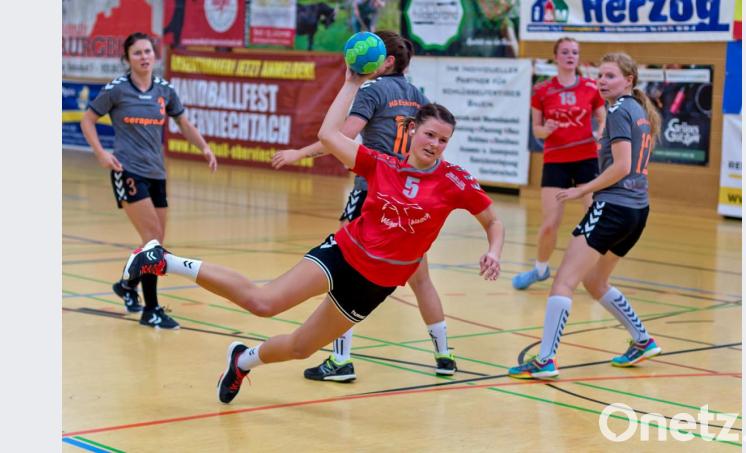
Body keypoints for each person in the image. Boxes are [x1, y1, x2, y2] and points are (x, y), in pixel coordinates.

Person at [119, 69, 505, 405]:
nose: (435, 145)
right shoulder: (379, 163)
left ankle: (242, 361)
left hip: (375, 285)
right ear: (413, 131)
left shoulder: (455, 181)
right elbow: (328, 134)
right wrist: (352, 82)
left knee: (302, 347)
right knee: (263, 302)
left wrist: (494, 251)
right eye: (430, 134)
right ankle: (162, 260)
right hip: (343, 255)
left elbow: (493, 221)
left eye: (443, 140)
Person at [272, 31, 459, 381]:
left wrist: (300, 152)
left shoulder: (372, 90)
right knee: (422, 280)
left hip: (374, 190)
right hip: (410, 195)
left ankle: (340, 362)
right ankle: (444, 354)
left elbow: (342, 136)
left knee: (343, 273)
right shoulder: (418, 96)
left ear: (385, 61)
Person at [507, 52, 662, 379]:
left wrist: (583, 189)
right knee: (595, 281)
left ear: (628, 80)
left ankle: (545, 360)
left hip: (614, 206)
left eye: (610, 76)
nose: (602, 81)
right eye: (600, 76)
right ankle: (642, 339)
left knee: (563, 281)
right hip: (637, 210)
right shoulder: (637, 110)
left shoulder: (620, 110)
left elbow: (621, 165)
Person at [80, 32, 217, 329]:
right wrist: (101, 153)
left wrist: (204, 147)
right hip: (127, 170)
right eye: (137, 53)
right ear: (127, 58)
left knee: (155, 243)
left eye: (148, 52)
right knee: (153, 242)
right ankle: (151, 310)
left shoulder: (165, 90)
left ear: (155, 56)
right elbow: (87, 120)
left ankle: (127, 286)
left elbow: (183, 122)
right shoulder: (117, 90)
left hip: (158, 173)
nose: (144, 57)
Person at [512, 37, 606, 290]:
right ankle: (540, 269)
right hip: (556, 161)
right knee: (550, 224)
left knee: (595, 219)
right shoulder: (542, 90)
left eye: (575, 52)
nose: (570, 56)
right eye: (565, 52)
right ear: (556, 57)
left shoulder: (590, 86)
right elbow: (537, 130)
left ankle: (594, 273)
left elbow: (602, 117)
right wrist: (547, 129)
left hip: (586, 159)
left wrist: (601, 133)